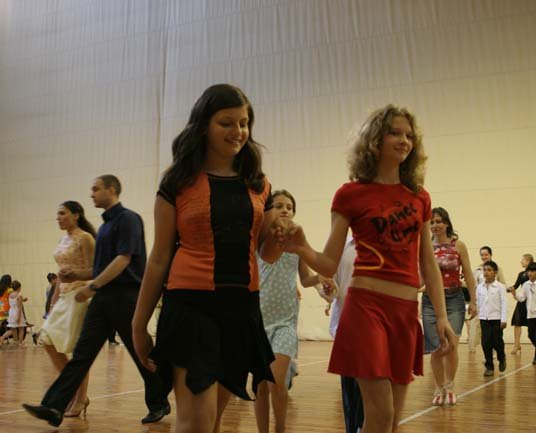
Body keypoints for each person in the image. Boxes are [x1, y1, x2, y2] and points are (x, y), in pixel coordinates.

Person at [280, 105, 456, 433]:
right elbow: (329, 262)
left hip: (405, 314)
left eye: (409, 135)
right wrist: (302, 247)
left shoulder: (419, 197)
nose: (404, 140)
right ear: (375, 140)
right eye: (395, 133)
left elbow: (428, 262)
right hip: (365, 310)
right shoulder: (350, 194)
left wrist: (442, 317)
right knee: (380, 416)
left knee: (393, 421)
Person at [131, 84, 281, 433]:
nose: (238, 132)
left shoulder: (259, 184)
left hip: (241, 309)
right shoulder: (177, 183)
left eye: (243, 123)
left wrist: (285, 236)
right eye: (226, 123)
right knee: (196, 422)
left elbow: (267, 253)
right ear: (203, 126)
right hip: (191, 308)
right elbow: (159, 258)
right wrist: (138, 325)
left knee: (212, 422)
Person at [23, 175, 171, 427]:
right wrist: (77, 275)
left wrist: (92, 287)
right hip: (103, 298)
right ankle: (54, 407)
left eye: (96, 189)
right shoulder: (103, 228)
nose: (91, 194)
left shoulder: (128, 219)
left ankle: (158, 402)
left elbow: (123, 259)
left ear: (111, 190)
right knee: (82, 355)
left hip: (125, 297)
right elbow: (99, 269)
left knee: (138, 352)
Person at [255, 189, 329, 433]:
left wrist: (320, 278)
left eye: (289, 206)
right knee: (260, 386)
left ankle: (280, 428)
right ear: (267, 211)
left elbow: (305, 279)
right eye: (278, 205)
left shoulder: (297, 245)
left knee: (277, 380)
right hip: (258, 322)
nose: (285, 210)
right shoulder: (258, 240)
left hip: (285, 323)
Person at [38, 201, 96, 417]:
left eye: (63, 213)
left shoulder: (86, 238)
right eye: (58, 214)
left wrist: (81, 282)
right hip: (62, 296)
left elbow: (95, 270)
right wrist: (52, 305)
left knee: (79, 352)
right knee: (46, 340)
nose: (58, 217)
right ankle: (73, 388)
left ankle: (80, 398)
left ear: (76, 215)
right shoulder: (63, 239)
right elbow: (59, 275)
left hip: (79, 296)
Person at [423, 207, 477, 405]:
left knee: (452, 344)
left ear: (446, 223)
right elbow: (419, 274)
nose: (435, 225)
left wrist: (473, 301)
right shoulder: (425, 245)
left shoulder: (458, 245)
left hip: (454, 299)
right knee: (436, 346)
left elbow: (468, 274)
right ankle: (439, 387)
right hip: (430, 301)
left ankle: (450, 385)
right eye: (431, 222)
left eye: (438, 221)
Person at [329, 235, 364, 433]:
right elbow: (332, 286)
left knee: (369, 382)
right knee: (350, 383)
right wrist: (328, 290)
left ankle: (363, 425)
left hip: (374, 323)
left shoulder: (382, 244)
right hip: (346, 323)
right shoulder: (341, 246)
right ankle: (353, 428)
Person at [508, 262, 536, 364]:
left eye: (532, 271)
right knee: (531, 336)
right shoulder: (526, 285)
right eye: (528, 271)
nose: (529, 273)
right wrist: (514, 294)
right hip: (530, 315)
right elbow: (521, 298)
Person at [468, 246, 506, 353]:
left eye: (486, 254)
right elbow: (473, 286)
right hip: (480, 303)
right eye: (482, 255)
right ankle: (476, 348)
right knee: (475, 328)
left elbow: (503, 283)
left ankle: (494, 352)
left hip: (493, 305)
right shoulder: (477, 270)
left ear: (490, 255)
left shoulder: (497, 268)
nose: (484, 257)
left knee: (493, 333)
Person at [476, 261, 507, 376]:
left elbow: (504, 303)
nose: (486, 272)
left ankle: (502, 358)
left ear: (495, 272)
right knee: (485, 343)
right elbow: (478, 302)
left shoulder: (500, 287)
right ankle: (489, 366)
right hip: (484, 318)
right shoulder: (480, 287)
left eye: (489, 270)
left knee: (497, 342)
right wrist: (475, 313)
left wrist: (503, 319)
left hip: (497, 319)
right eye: (484, 270)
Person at [507, 254, 533, 355]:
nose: (521, 261)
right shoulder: (521, 274)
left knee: (533, 325)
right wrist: (510, 289)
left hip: (531, 302)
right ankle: (517, 345)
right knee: (517, 322)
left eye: (523, 260)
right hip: (522, 300)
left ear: (529, 261)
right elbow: (516, 285)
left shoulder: (534, 274)